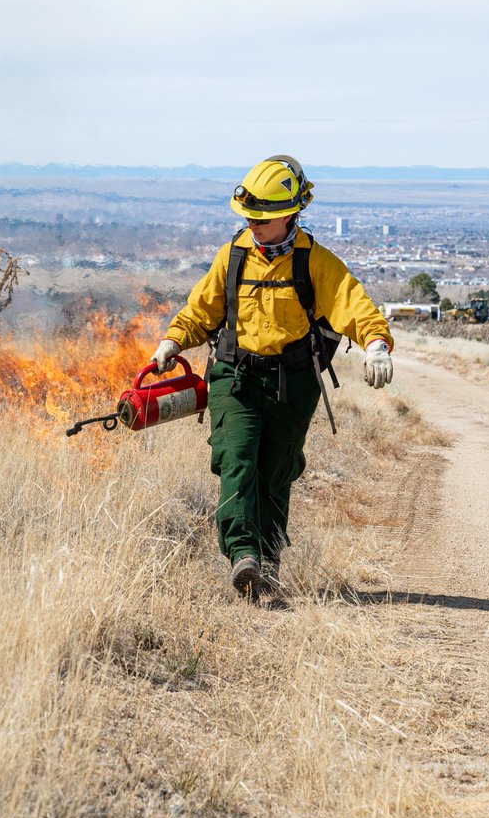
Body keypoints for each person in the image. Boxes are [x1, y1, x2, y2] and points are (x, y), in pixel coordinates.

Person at [152, 155, 393, 599]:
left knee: (274, 471)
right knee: (236, 458)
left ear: (291, 214)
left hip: (292, 384)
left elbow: (351, 304)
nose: (254, 224)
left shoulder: (315, 262)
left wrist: (376, 342)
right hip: (235, 376)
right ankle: (243, 554)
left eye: (263, 218)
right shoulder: (233, 255)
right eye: (249, 216)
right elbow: (200, 309)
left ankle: (267, 557)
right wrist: (172, 341)